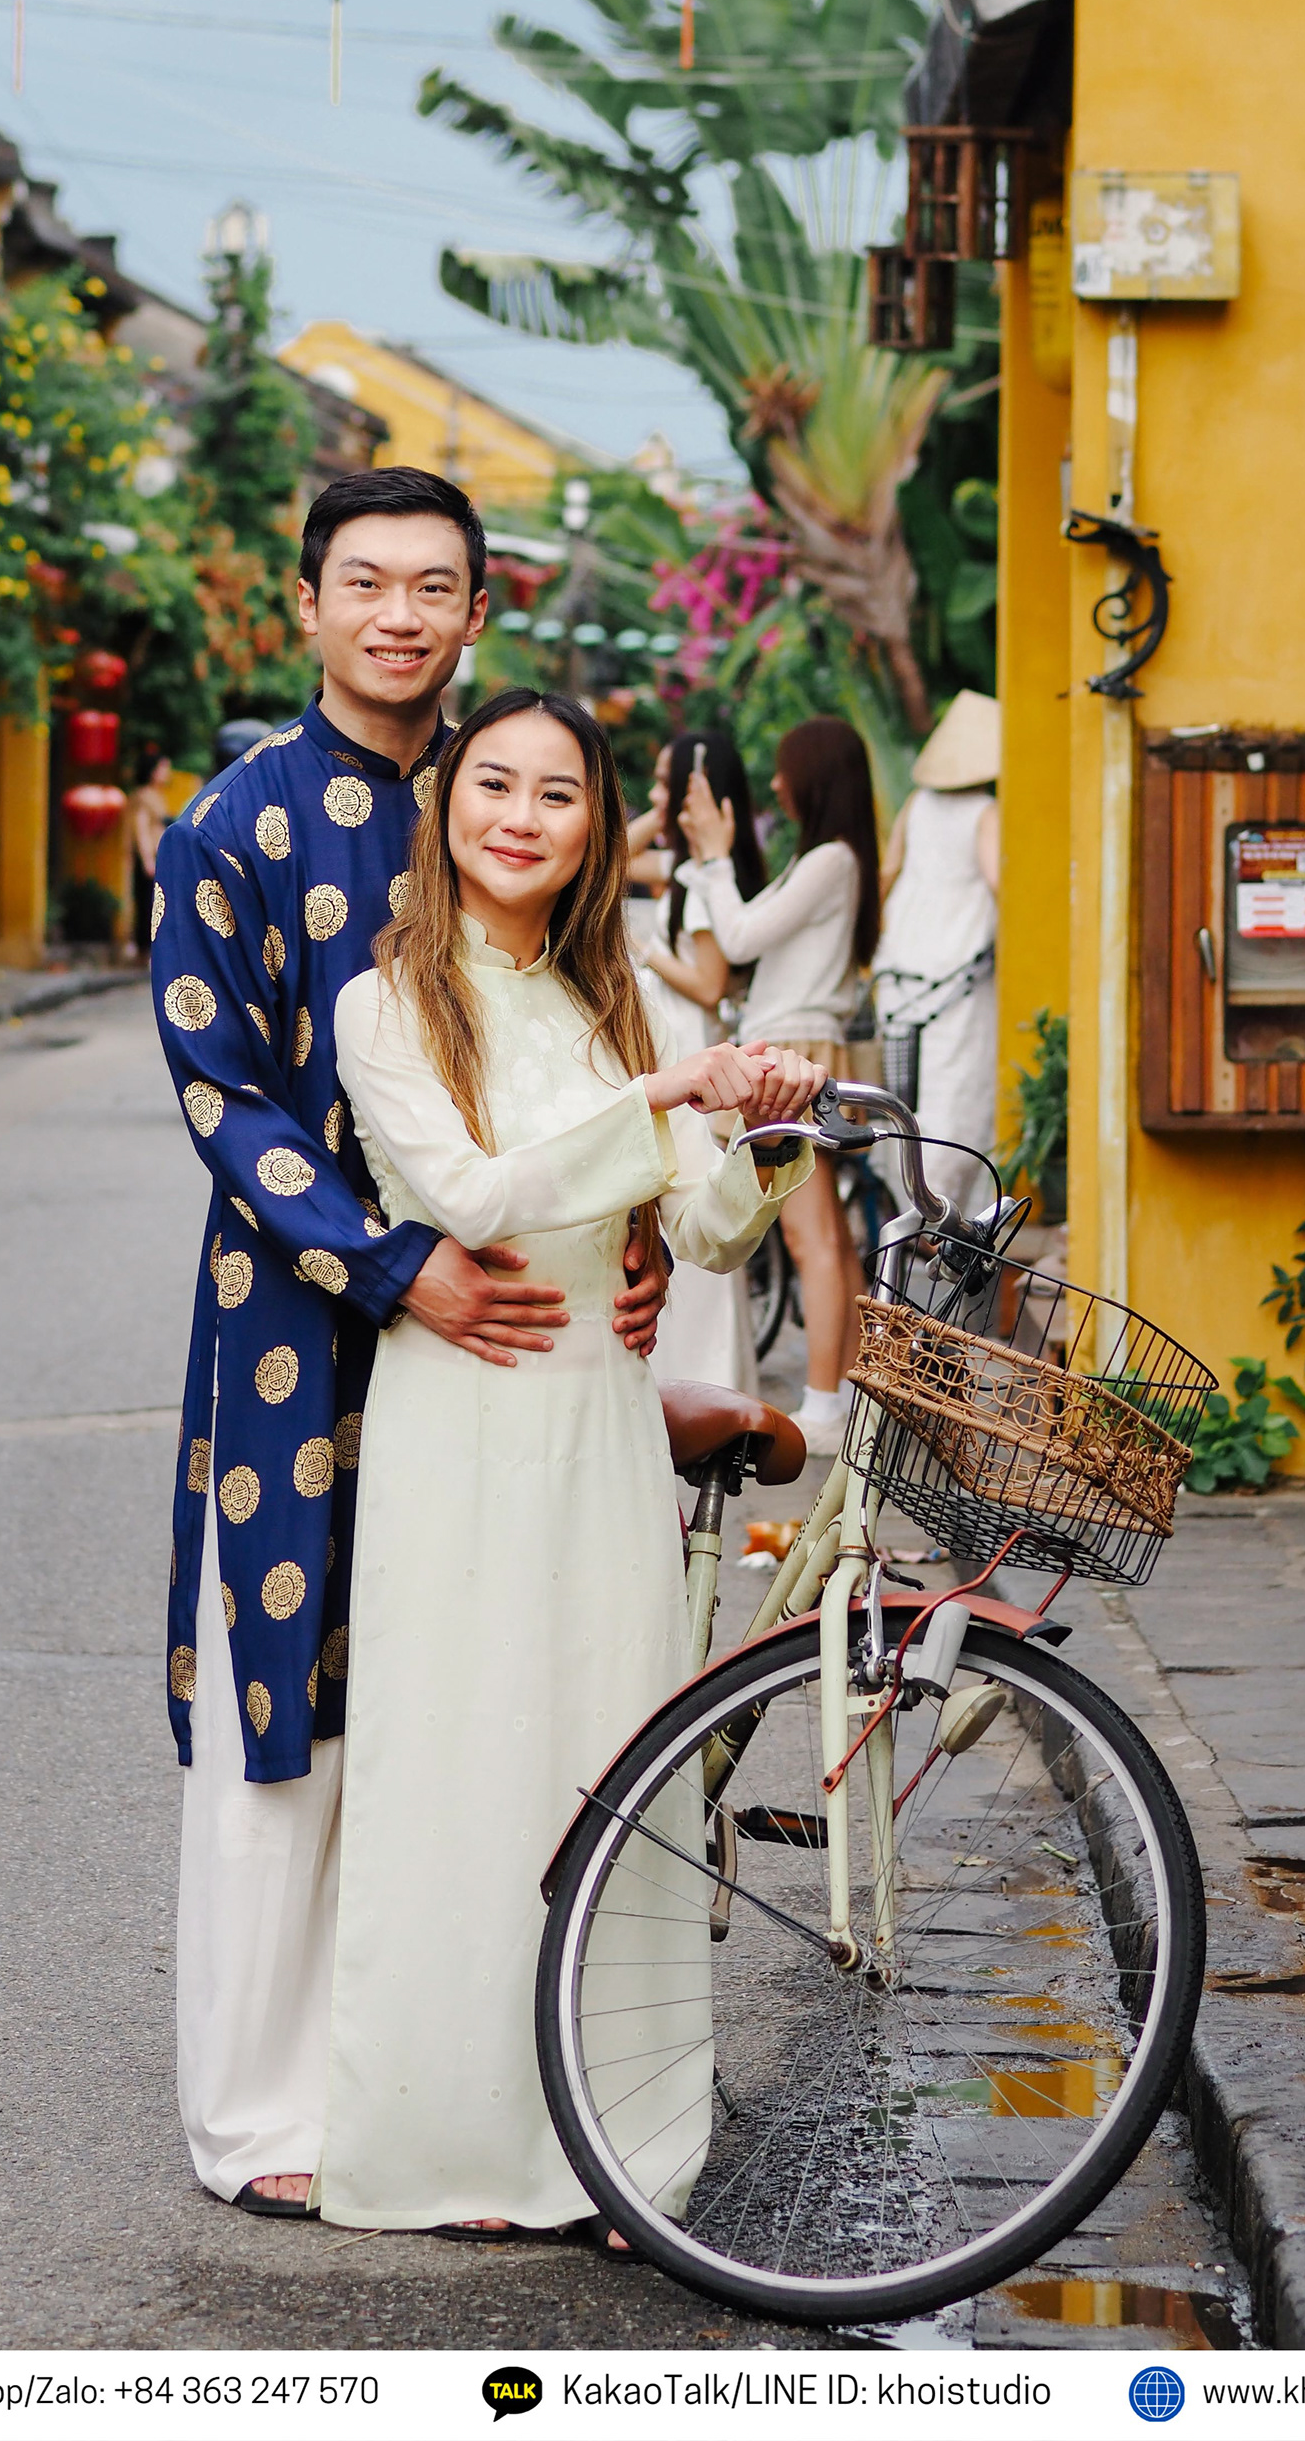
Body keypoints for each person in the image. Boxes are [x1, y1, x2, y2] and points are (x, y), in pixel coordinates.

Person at [149, 470, 669, 2218]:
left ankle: (446, 2080)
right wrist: (391, 1263)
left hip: (508, 1342)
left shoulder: (500, 805)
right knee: (285, 1702)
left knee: (469, 1702)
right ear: (306, 604)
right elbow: (221, 1101)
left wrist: (640, 1237)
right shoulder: (232, 825)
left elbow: (591, 1067)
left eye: (431, 587)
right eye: (362, 582)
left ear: (474, 614)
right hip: (302, 1329)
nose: (397, 614)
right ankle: (257, 2110)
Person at [325, 688, 821, 2238]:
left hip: (595, 1422)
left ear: (598, 826)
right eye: (493, 785)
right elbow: (469, 1195)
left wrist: (770, 1130)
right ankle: (456, 2144)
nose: (521, 815)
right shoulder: (389, 1001)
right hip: (465, 1412)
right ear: (447, 806)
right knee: (465, 1764)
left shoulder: (622, 1005)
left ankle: (622, 2150)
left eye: (558, 793)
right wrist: (665, 1097)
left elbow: (704, 1229)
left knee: (609, 1760)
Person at [676, 715, 880, 1452]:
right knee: (830, 1239)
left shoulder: (830, 859)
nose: (774, 783)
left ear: (816, 775)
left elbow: (736, 940)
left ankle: (825, 1404)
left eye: (786, 769)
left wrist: (715, 857)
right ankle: (852, 1394)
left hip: (795, 1045)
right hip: (801, 1039)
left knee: (811, 1239)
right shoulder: (833, 859)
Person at [624, 730, 769, 1396]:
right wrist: (666, 813)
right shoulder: (688, 870)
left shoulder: (700, 882)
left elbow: (710, 983)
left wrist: (649, 953)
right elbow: (607, 857)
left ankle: (703, 1390)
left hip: (693, 1059)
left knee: (692, 1223)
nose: (653, 797)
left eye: (664, 783)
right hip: (683, 1056)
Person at [876, 690, 1001, 1217]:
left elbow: (888, 873)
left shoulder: (916, 805)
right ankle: (944, 1218)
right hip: (957, 974)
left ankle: (906, 1202)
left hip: (904, 969)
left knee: (905, 1100)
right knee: (958, 1096)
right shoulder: (985, 811)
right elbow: (999, 880)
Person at [129, 750, 175, 960]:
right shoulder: (143, 796)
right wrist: (147, 859)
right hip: (149, 860)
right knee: (147, 905)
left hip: (158, 859)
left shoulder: (157, 796)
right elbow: (141, 829)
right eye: (163, 768)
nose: (167, 773)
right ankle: (143, 952)